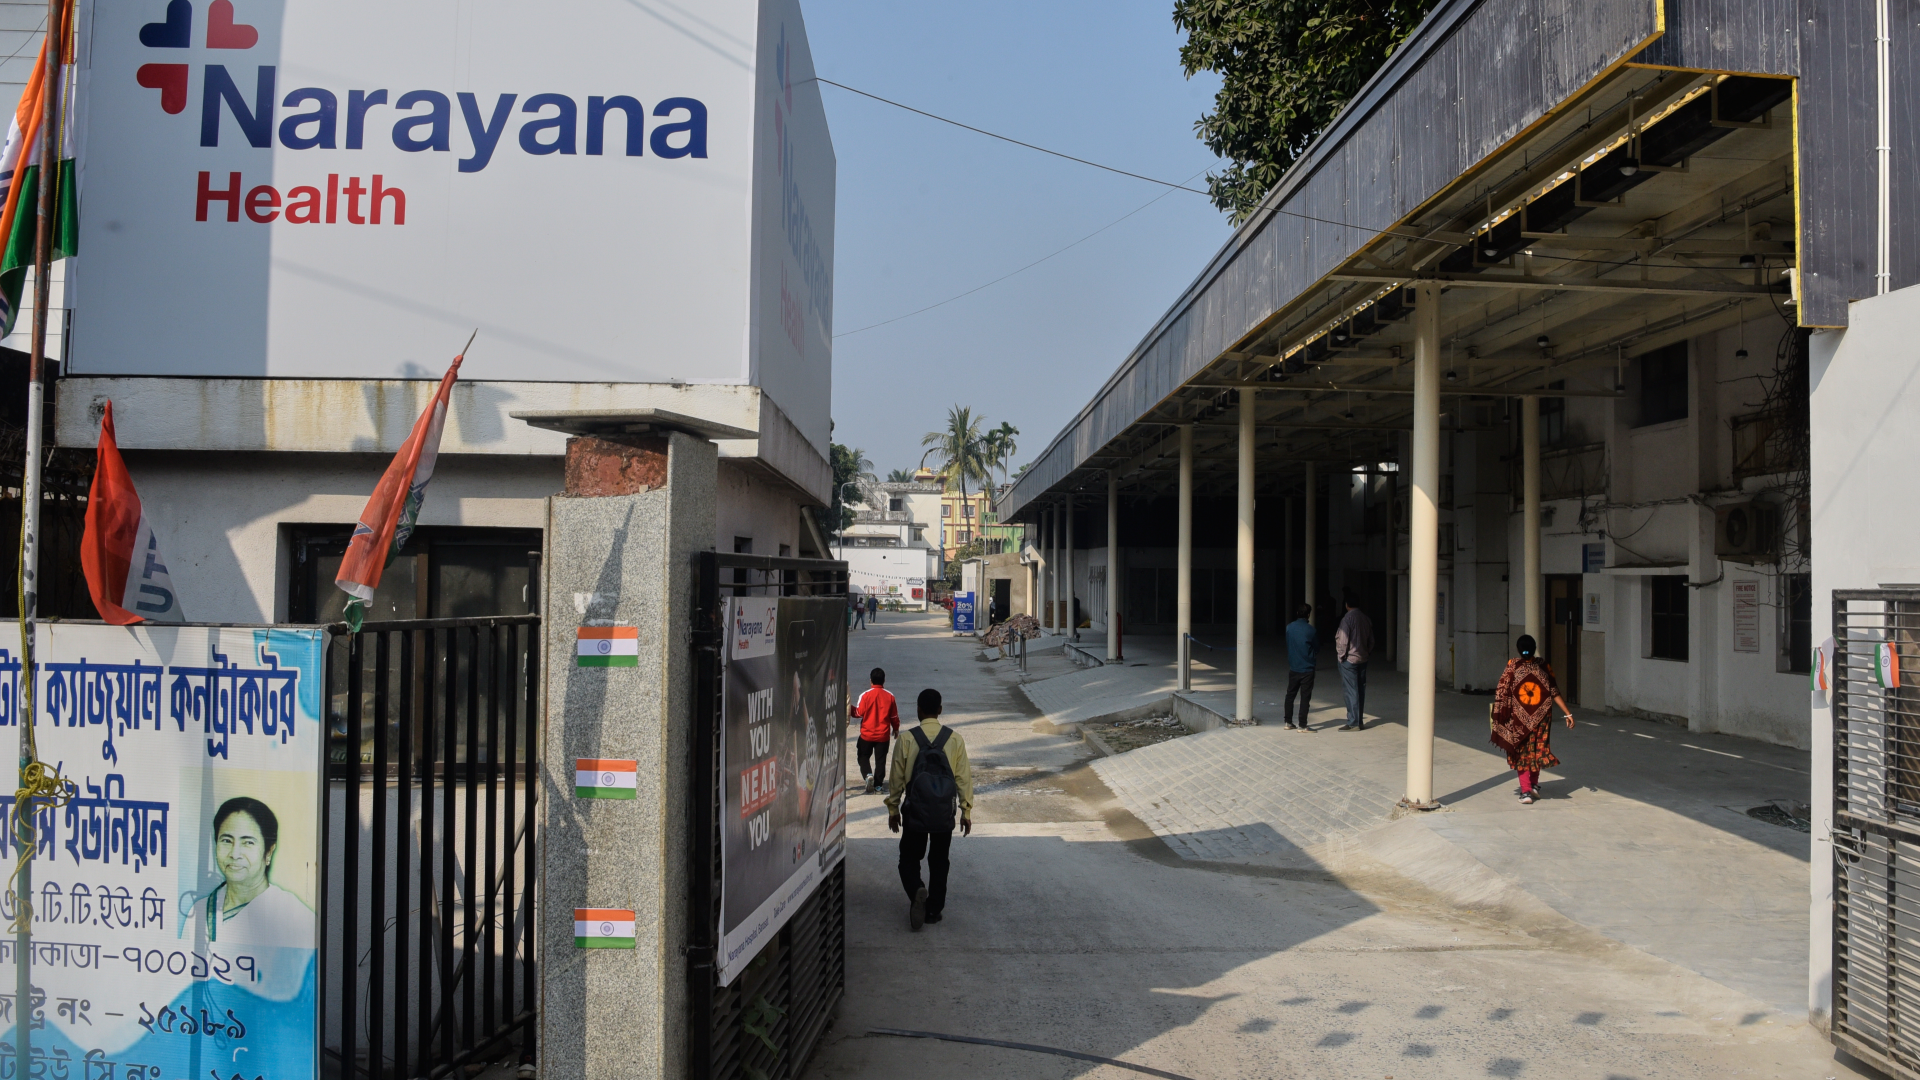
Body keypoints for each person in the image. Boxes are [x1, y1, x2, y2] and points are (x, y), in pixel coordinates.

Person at [184, 797, 316, 1000]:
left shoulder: (296, 917)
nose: (235, 853)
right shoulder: (200, 911)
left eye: (248, 842)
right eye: (226, 840)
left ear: (268, 852)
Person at [886, 688, 973, 930]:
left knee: (908, 858)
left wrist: (893, 810)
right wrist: (965, 811)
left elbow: (896, 779)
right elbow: (963, 778)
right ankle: (933, 910)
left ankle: (916, 889)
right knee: (939, 860)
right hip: (944, 812)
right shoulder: (955, 739)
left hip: (915, 811)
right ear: (940, 710)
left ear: (918, 710)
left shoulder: (906, 739)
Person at [1489, 635, 1575, 804]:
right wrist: (1568, 713)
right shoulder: (1544, 666)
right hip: (1542, 718)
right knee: (1537, 750)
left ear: (1518, 649)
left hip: (1518, 720)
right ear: (1535, 648)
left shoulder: (1512, 665)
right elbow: (1554, 691)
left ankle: (1526, 792)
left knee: (1521, 754)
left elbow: (1502, 690)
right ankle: (1534, 785)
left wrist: (1500, 716)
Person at [851, 666, 899, 794]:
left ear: (871, 680)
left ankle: (868, 775)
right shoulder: (890, 696)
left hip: (866, 735)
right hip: (883, 736)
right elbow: (894, 716)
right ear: (884, 680)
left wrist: (848, 707)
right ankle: (878, 786)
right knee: (880, 760)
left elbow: (858, 713)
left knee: (863, 756)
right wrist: (896, 729)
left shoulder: (865, 695)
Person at [1334, 594, 1374, 730]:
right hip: (1363, 658)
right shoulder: (1366, 618)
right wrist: (1367, 653)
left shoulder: (1347, 619)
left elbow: (1343, 640)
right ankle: (1359, 720)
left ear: (1346, 605)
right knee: (1360, 689)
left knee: (1351, 690)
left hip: (1349, 659)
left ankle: (1353, 722)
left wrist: (1341, 656)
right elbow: (1371, 640)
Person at [1283, 603, 1317, 731]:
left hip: (1294, 666)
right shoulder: (1311, 630)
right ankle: (1302, 725)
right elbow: (1317, 647)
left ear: (1297, 613)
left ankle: (1288, 722)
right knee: (1305, 697)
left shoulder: (1289, 627)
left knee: (1290, 695)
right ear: (1308, 614)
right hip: (1307, 667)